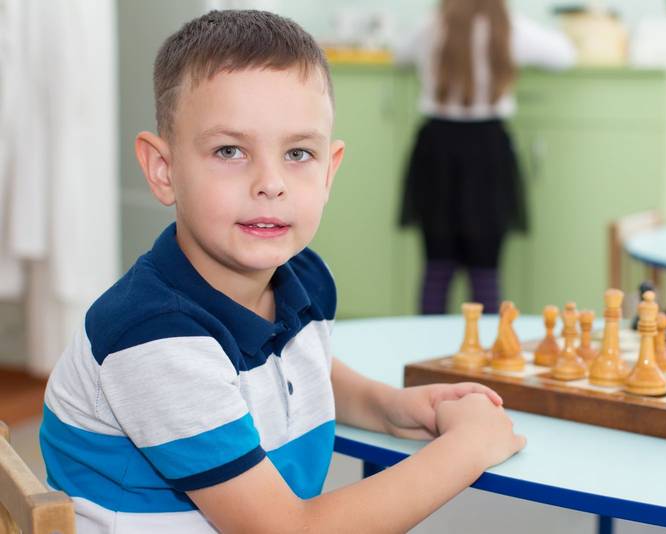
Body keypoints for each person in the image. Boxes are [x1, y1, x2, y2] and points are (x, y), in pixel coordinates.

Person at [39, 10, 526, 533]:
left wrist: (390, 406)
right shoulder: (155, 337)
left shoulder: (303, 277)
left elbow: (298, 367)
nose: (270, 183)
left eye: (298, 153)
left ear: (329, 171)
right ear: (164, 169)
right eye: (230, 151)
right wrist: (467, 448)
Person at [397, 0, 575, 314]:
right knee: (486, 268)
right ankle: (492, 340)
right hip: (487, 152)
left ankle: (425, 341)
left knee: (437, 265)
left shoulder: (433, 25)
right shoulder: (509, 27)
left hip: (437, 151)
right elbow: (565, 55)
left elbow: (399, 55)